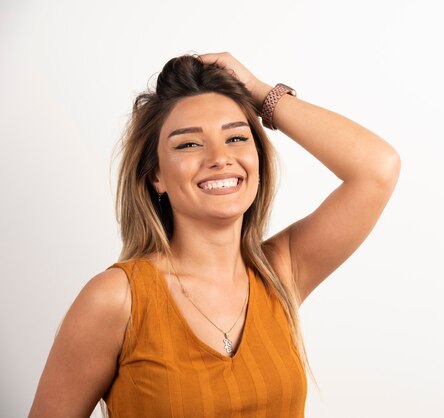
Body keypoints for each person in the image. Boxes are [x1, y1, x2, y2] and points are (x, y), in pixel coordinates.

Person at [28, 52, 401, 417]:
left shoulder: (280, 272)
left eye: (237, 138)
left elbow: (377, 168)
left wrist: (259, 92)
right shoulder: (116, 299)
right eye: (189, 143)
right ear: (156, 175)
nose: (219, 157)